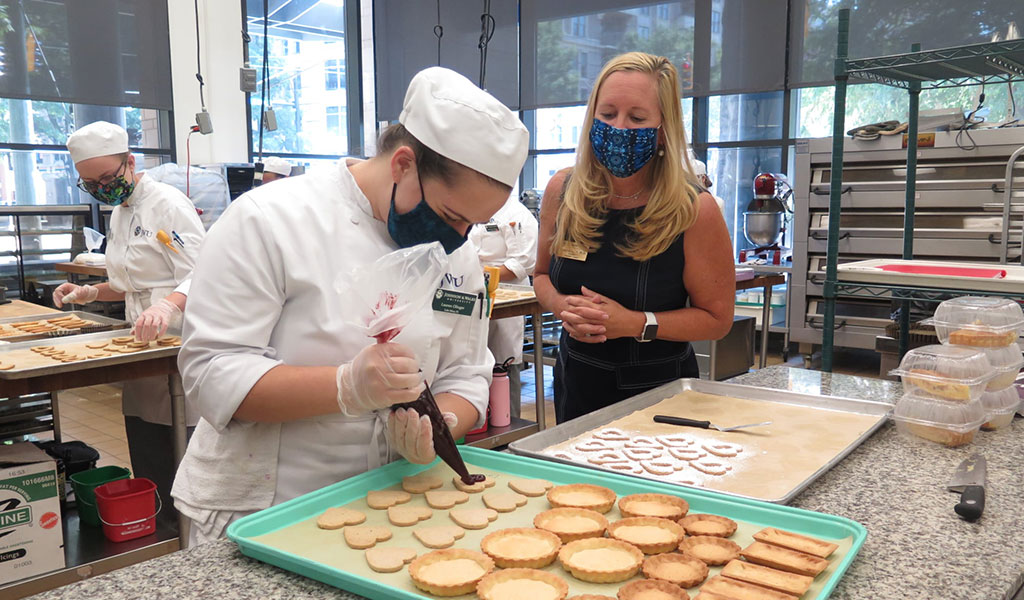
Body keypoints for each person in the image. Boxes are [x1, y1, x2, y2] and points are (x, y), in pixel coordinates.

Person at [171, 67, 529, 545]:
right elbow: (211, 374)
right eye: (451, 216)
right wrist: (345, 387)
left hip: (396, 503)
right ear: (402, 164)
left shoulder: (457, 254)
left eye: (474, 224)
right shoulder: (270, 220)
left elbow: (466, 373)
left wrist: (441, 423)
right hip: (269, 509)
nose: (459, 239)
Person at [533, 52, 735, 424]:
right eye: (607, 114)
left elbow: (717, 319)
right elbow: (541, 276)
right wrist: (561, 305)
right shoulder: (562, 190)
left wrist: (636, 323)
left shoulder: (694, 209)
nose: (619, 127)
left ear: (663, 129)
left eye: (637, 118)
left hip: (660, 397)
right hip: (577, 383)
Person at [57, 121, 206, 523]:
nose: (103, 187)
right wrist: (89, 292)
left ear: (130, 162)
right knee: (146, 438)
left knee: (182, 442)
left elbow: (203, 273)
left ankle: (190, 529)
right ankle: (157, 524)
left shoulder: (168, 204)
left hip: (178, 342)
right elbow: (131, 284)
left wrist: (169, 307)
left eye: (108, 177)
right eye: (91, 183)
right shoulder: (120, 214)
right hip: (140, 341)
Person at [468, 196, 538, 418]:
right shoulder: (474, 209)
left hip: (507, 296)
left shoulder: (518, 216)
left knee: (503, 363)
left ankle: (507, 421)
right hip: (473, 295)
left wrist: (482, 276)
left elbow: (523, 263)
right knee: (473, 363)